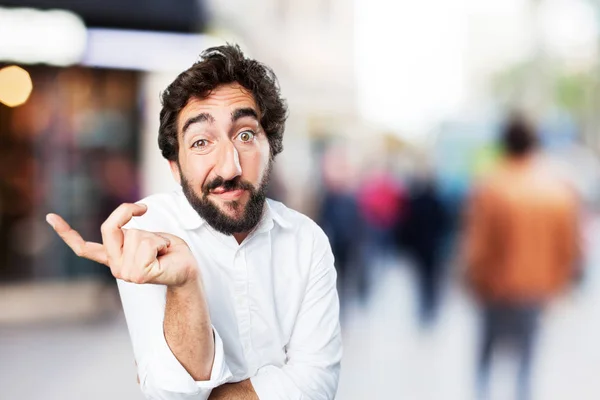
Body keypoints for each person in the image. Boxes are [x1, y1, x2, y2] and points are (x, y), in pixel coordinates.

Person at [46, 44, 342, 400]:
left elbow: (317, 386)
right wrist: (184, 284)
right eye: (201, 142)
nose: (229, 167)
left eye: (245, 135)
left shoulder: (306, 240)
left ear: (271, 146)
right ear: (175, 166)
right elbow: (169, 394)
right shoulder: (148, 230)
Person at [463, 113, 580, 400]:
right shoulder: (557, 190)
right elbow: (568, 247)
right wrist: (559, 284)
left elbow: (478, 243)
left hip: (495, 288)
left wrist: (472, 279)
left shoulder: (490, 186)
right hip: (536, 290)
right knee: (527, 360)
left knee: (486, 356)